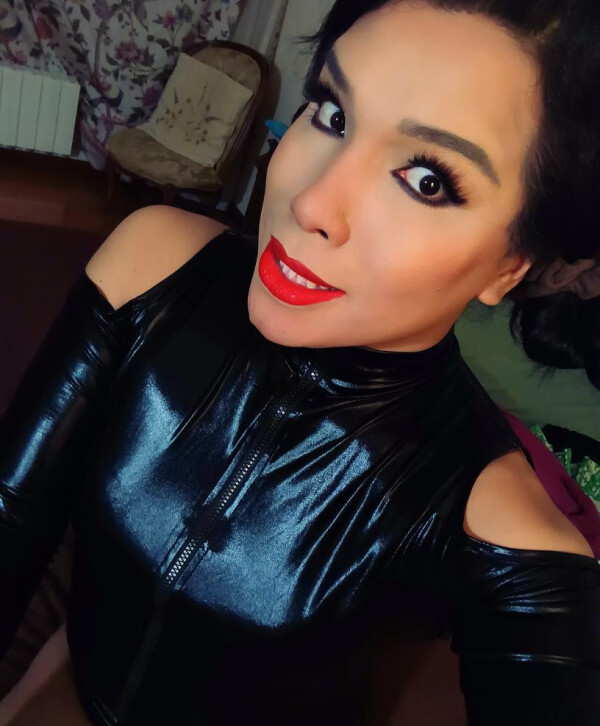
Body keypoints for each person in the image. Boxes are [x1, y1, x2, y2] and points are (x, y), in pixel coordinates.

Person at [1, 1, 599, 724]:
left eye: (425, 180)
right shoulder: (154, 266)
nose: (312, 202)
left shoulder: (499, 520)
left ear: (509, 266)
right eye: (334, 114)